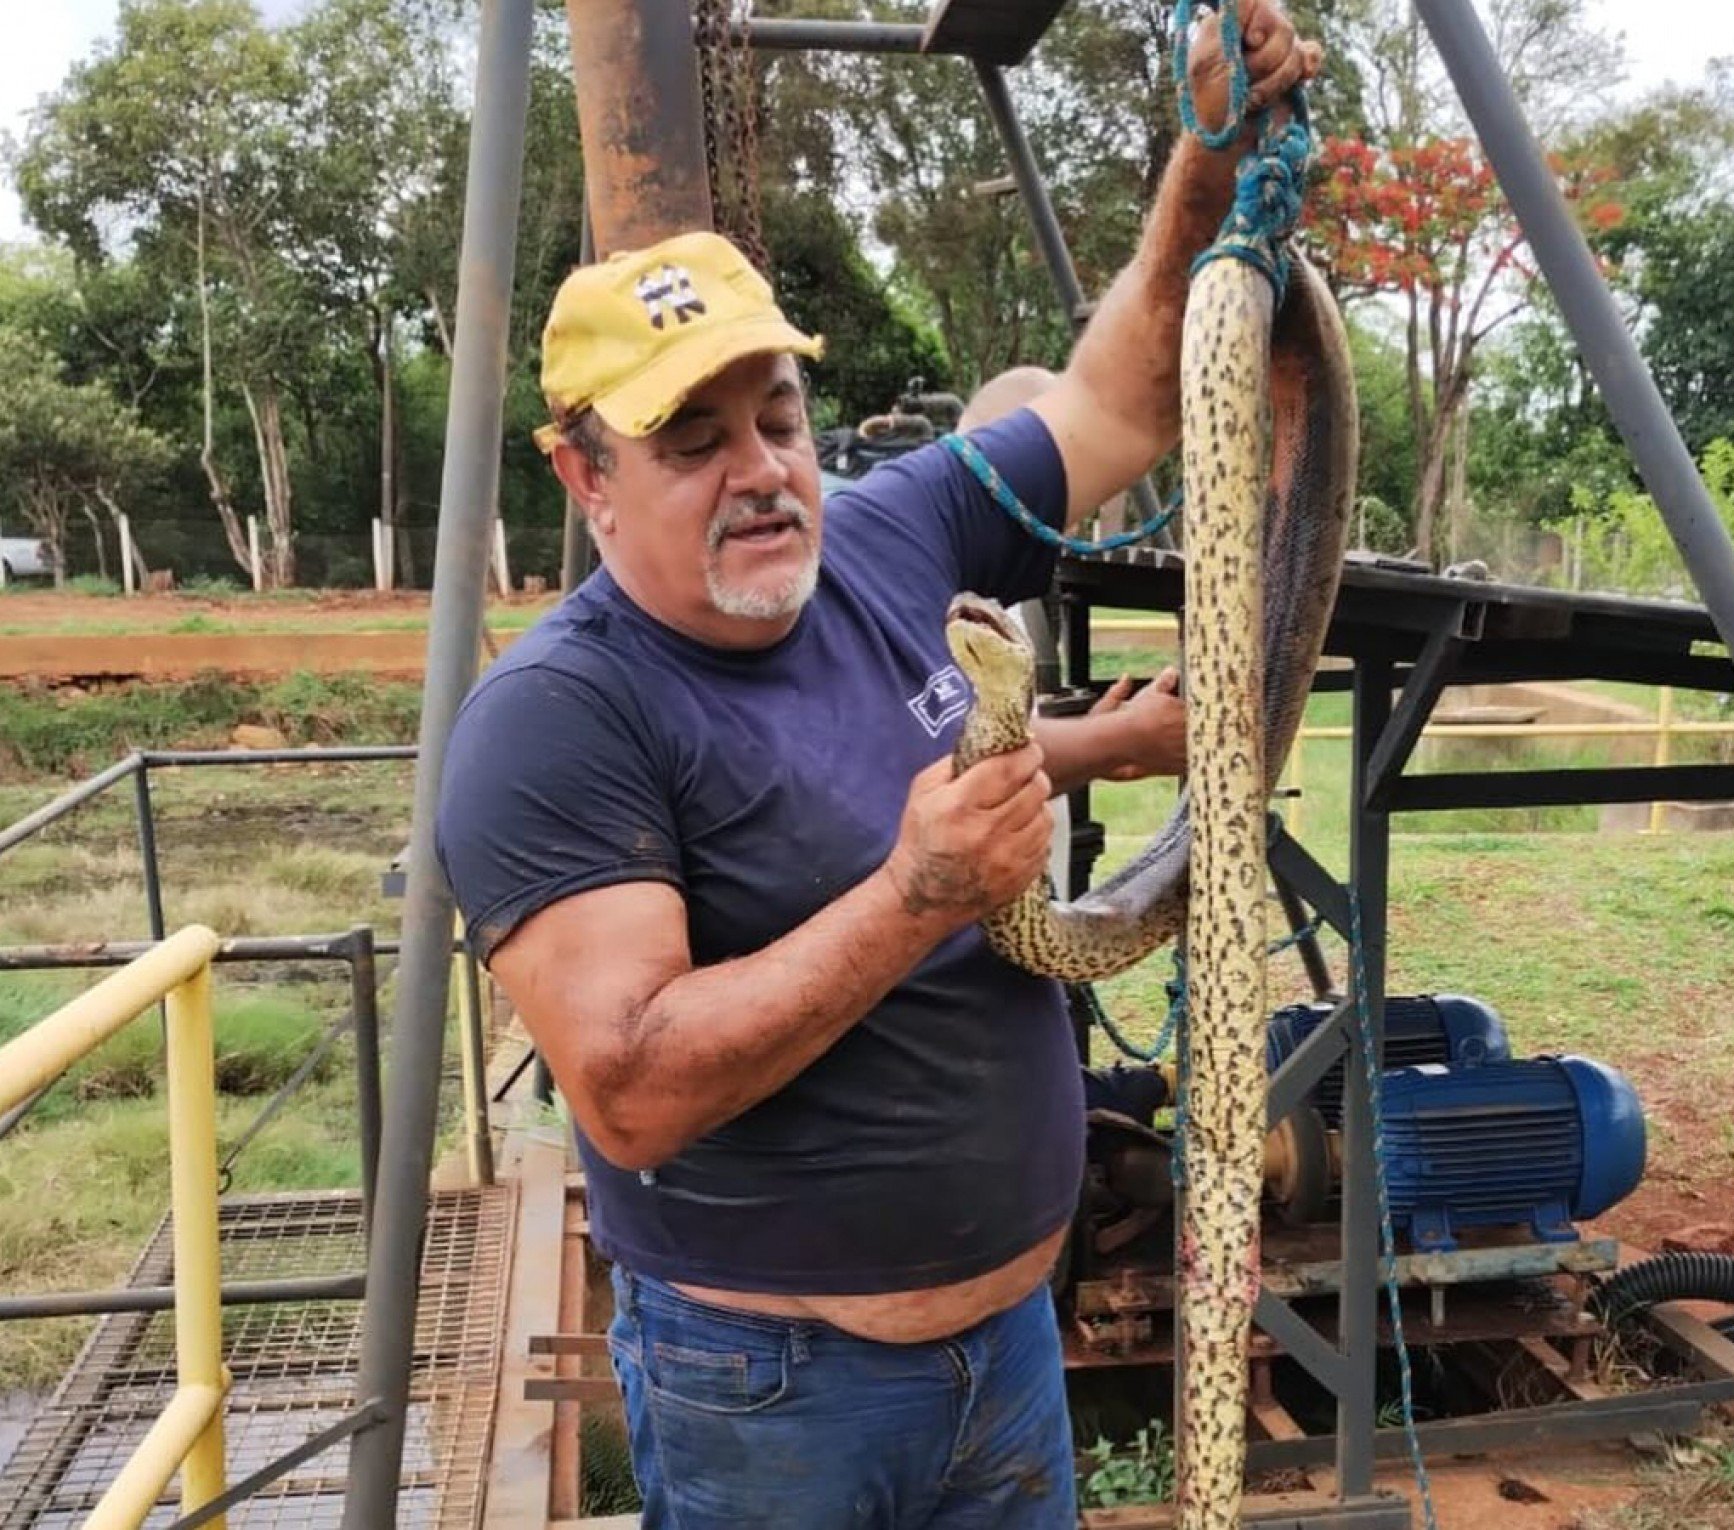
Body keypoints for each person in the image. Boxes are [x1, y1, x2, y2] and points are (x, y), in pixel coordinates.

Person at [436, 5, 1319, 1523]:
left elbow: (1114, 400)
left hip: (1011, 1358)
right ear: (586, 475)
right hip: (769, 1398)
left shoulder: (894, 529)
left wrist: (1208, 152)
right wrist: (919, 895)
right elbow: (633, 1088)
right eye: (691, 438)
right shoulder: (555, 720)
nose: (762, 468)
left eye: (774, 414)